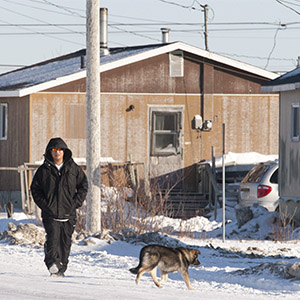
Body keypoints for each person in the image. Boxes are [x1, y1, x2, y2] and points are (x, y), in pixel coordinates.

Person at [31, 137, 88, 277]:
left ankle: (61, 268)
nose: (57, 153)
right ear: (50, 152)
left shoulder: (73, 169)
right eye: (54, 150)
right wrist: (45, 206)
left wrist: (75, 204)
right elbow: (35, 190)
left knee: (65, 243)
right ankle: (52, 263)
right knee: (53, 240)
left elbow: (83, 186)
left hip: (68, 214)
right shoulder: (43, 170)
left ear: (64, 152)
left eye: (60, 150)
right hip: (50, 214)